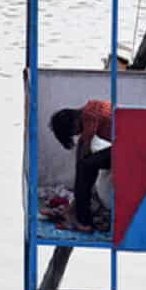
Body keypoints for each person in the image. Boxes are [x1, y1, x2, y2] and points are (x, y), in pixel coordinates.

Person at [49, 100, 113, 233]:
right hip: (126, 143)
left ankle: (82, 220)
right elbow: (81, 151)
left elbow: (84, 151)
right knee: (85, 166)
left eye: (74, 133)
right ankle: (75, 211)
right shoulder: (90, 110)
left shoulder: (89, 114)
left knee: (86, 167)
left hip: (130, 146)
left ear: (73, 125)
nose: (77, 135)